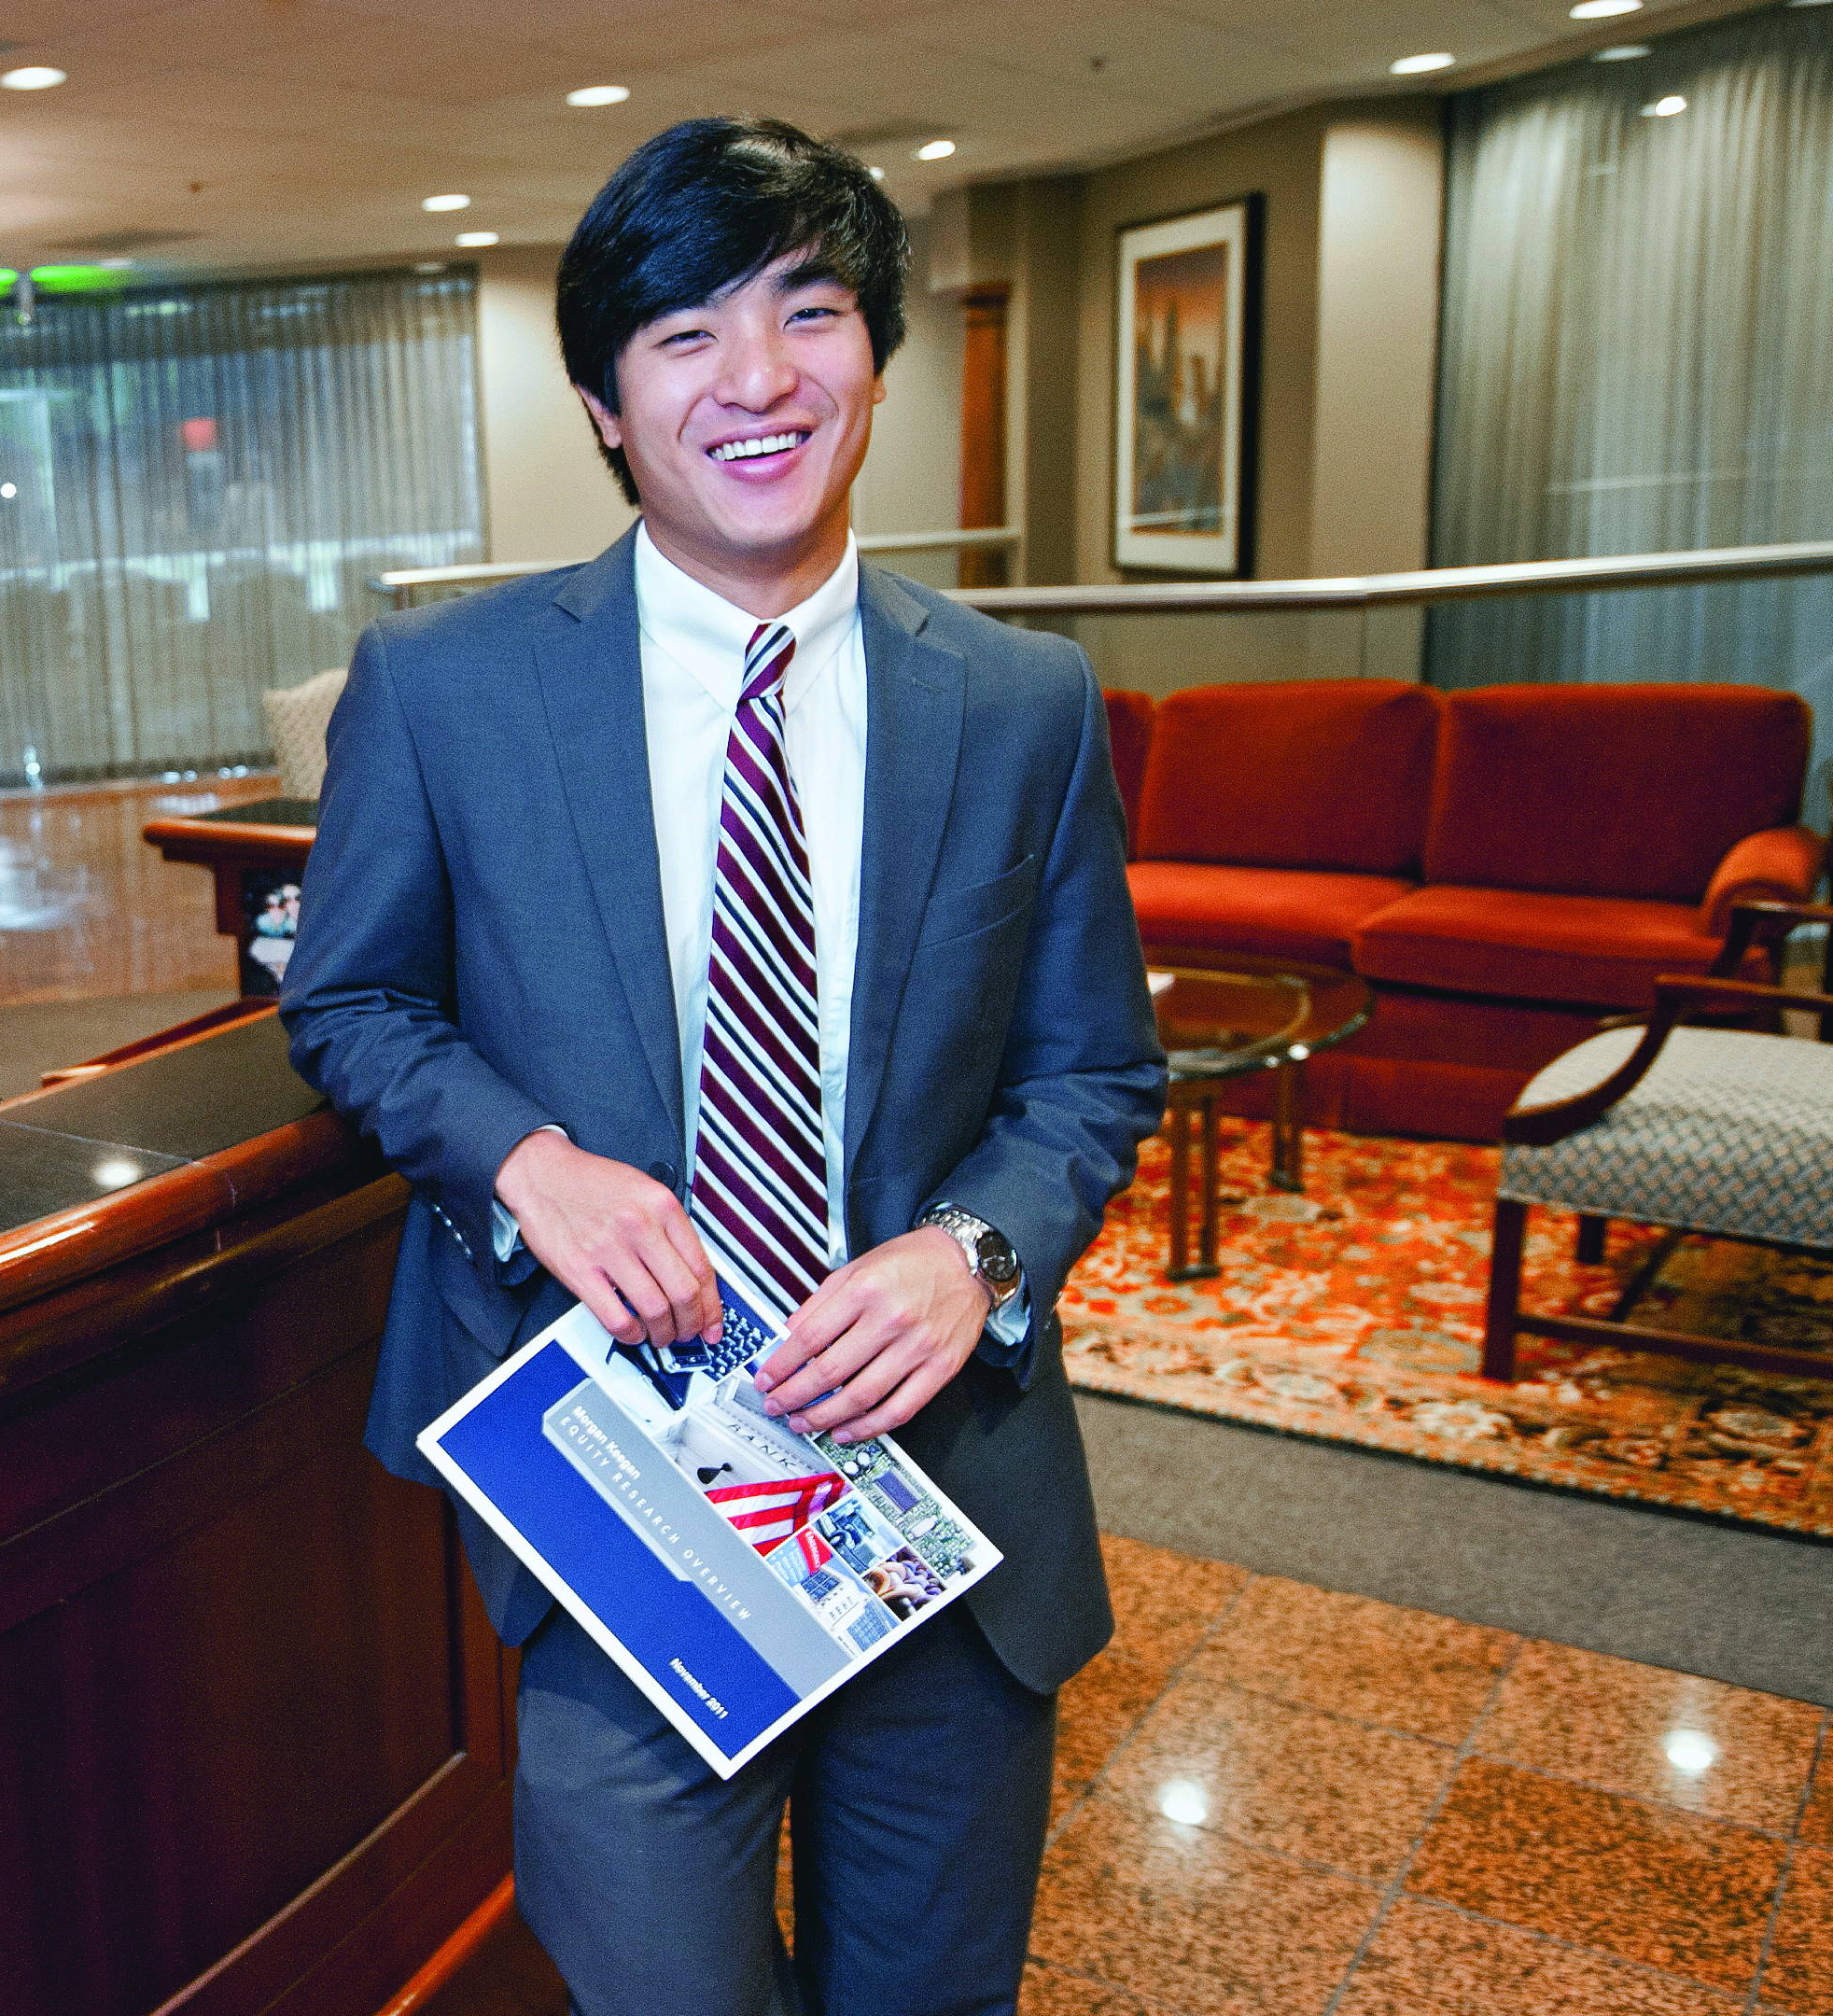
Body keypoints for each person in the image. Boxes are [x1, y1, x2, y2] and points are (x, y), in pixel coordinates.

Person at [282, 116, 1165, 2016]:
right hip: (617, 1500)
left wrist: (976, 1256)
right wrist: (525, 1161)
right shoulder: (444, 691)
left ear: (873, 360)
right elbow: (350, 1006)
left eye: (810, 313)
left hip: (933, 1497)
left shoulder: (1022, 703)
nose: (755, 380)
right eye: (682, 334)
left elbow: (1091, 1075)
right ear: (606, 403)